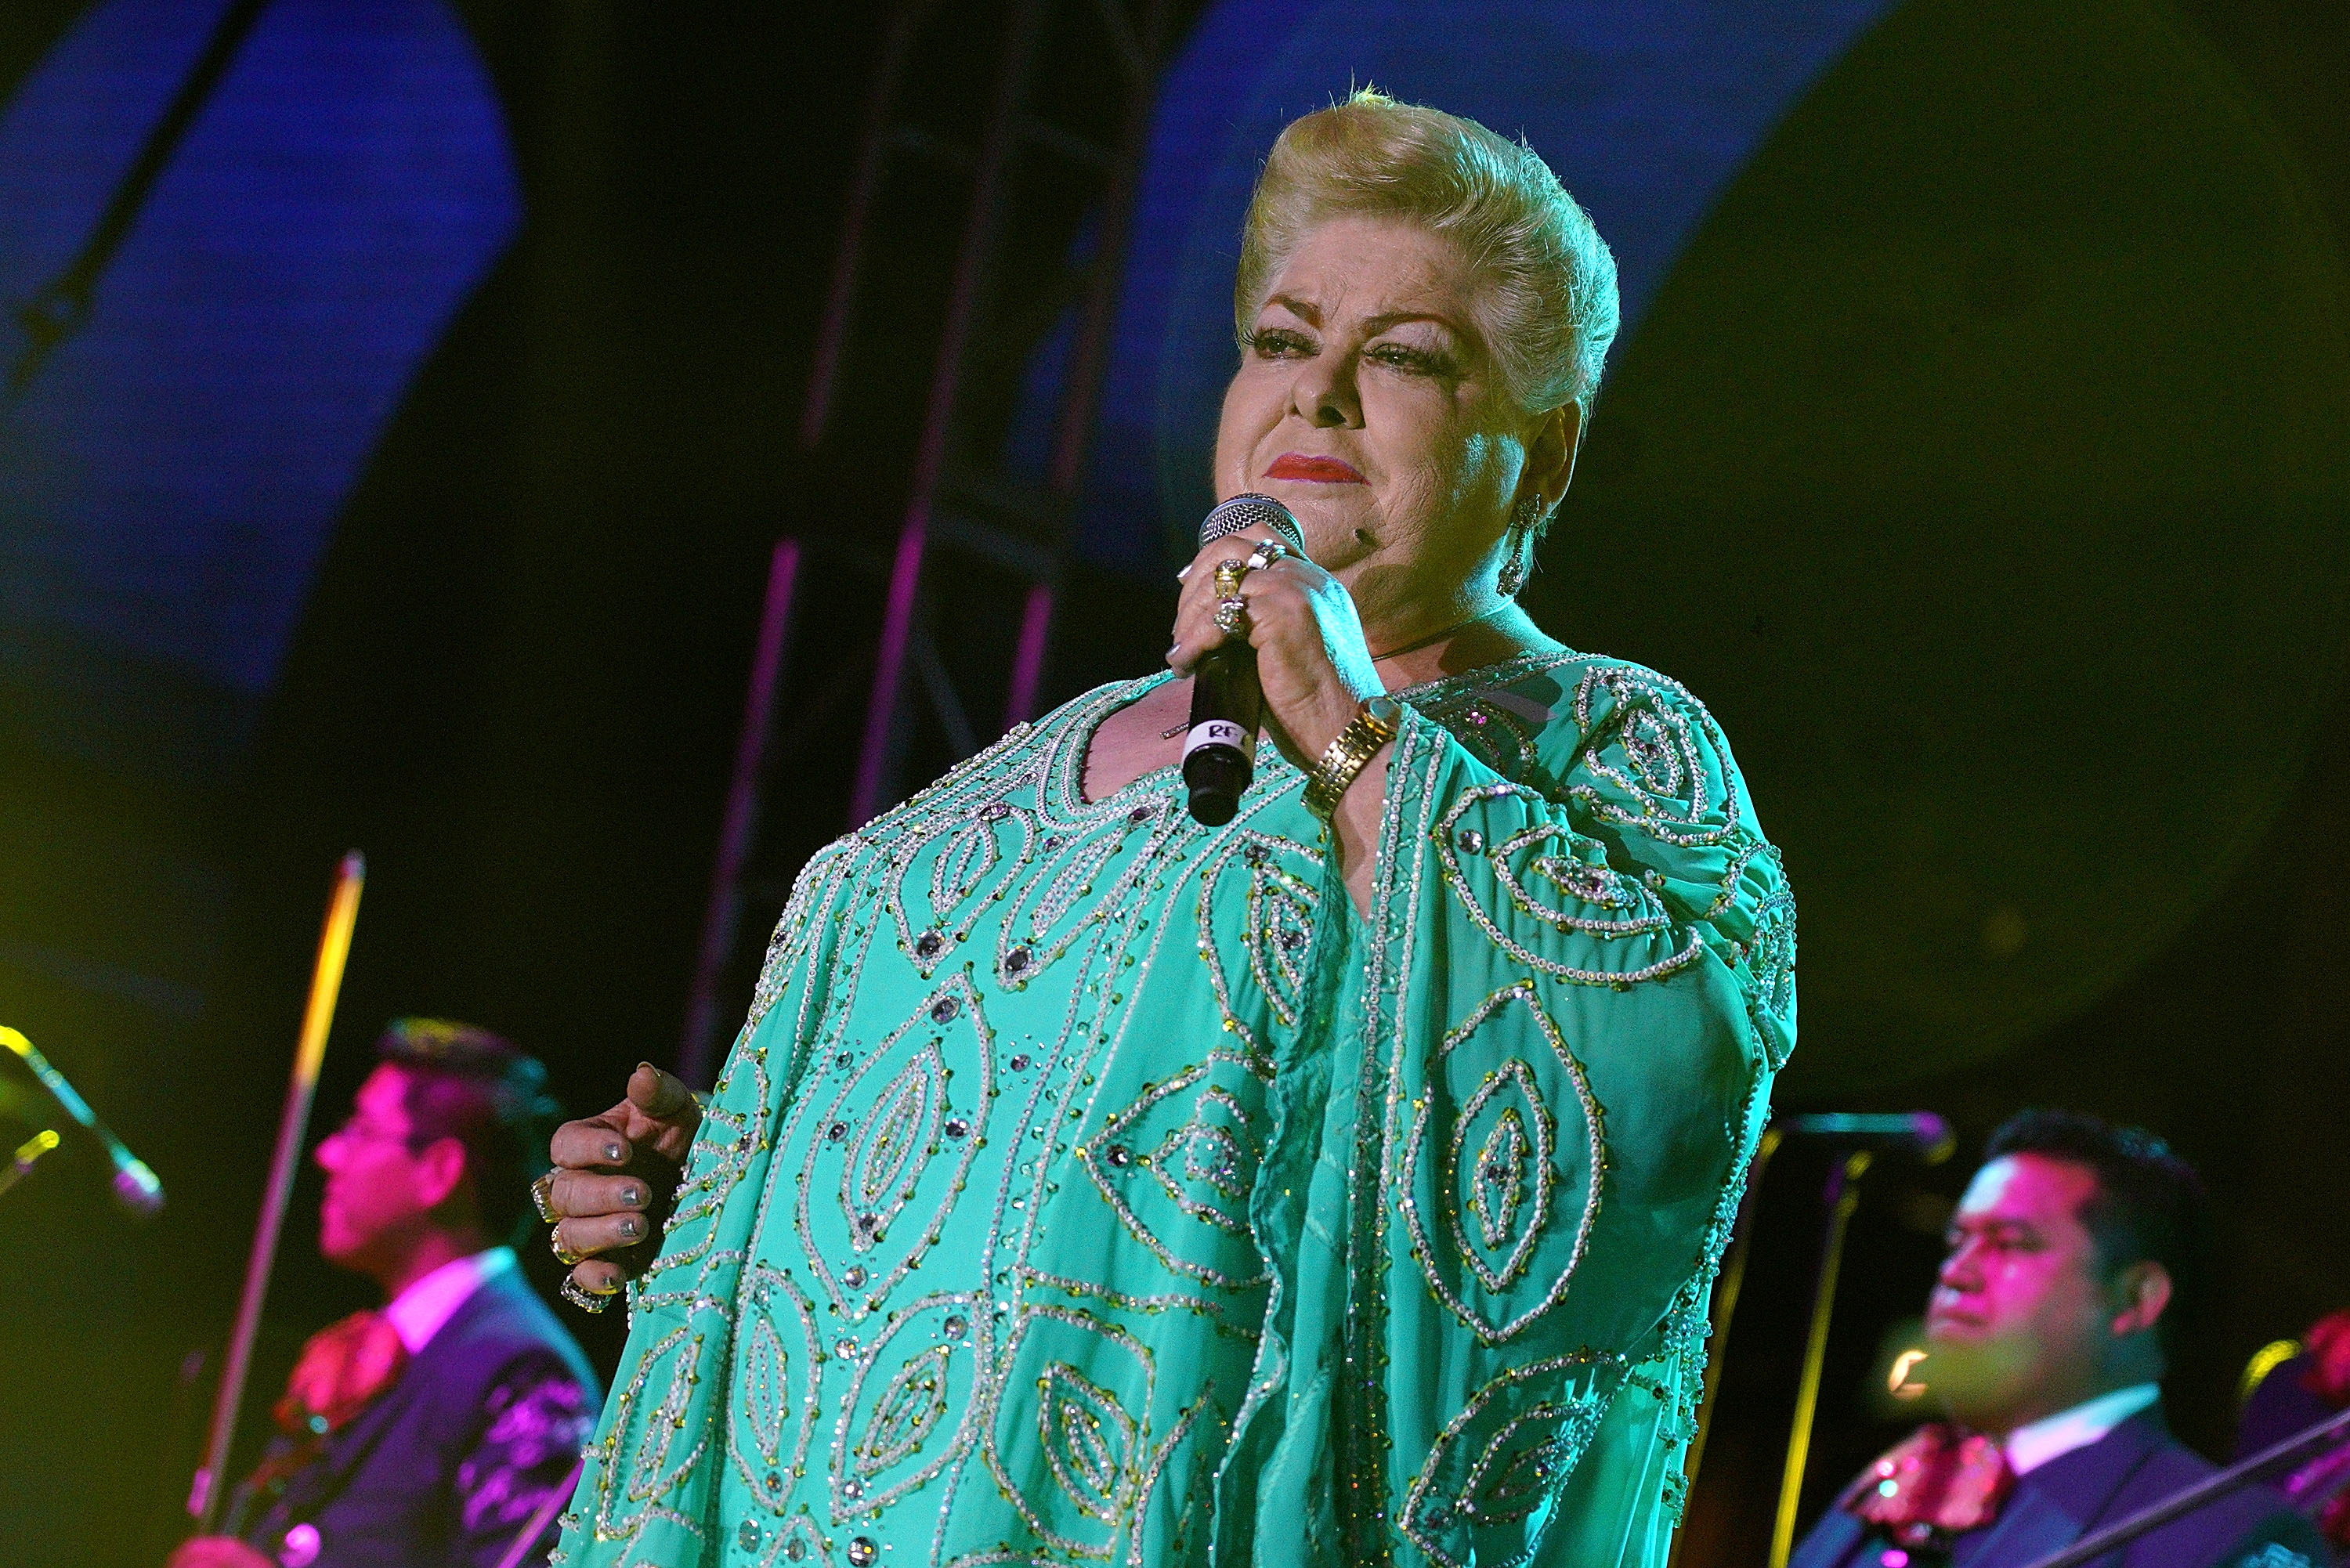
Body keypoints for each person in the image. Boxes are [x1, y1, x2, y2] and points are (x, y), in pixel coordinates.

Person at [540, 90, 1798, 1568]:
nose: (1315, 396)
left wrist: (1339, 718)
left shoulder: (1596, 741)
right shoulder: (1041, 756)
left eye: (1402, 357)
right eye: (1281, 340)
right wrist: (728, 1202)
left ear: (1545, 453)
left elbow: (1652, 1097)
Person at [1790, 1109, 2325, 1568]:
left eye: (2009, 1243)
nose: (1957, 1272)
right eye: (1957, 1242)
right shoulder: (1900, 1481)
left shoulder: (2233, 1536)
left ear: (2134, 1299)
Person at [172, 1019, 600, 1568]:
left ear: (439, 1172)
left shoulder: (527, 1372)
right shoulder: (369, 1345)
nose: (328, 1154)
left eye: (360, 1131)